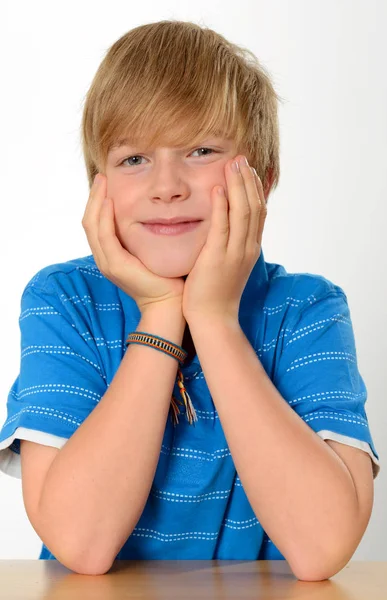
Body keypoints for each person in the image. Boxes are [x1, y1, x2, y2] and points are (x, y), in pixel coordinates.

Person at [0, 20, 380, 580]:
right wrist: (161, 313)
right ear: (98, 185)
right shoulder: (65, 301)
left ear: (263, 179)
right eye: (134, 159)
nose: (167, 185)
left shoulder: (308, 312)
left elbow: (322, 548)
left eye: (200, 150)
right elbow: (81, 543)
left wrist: (214, 319)